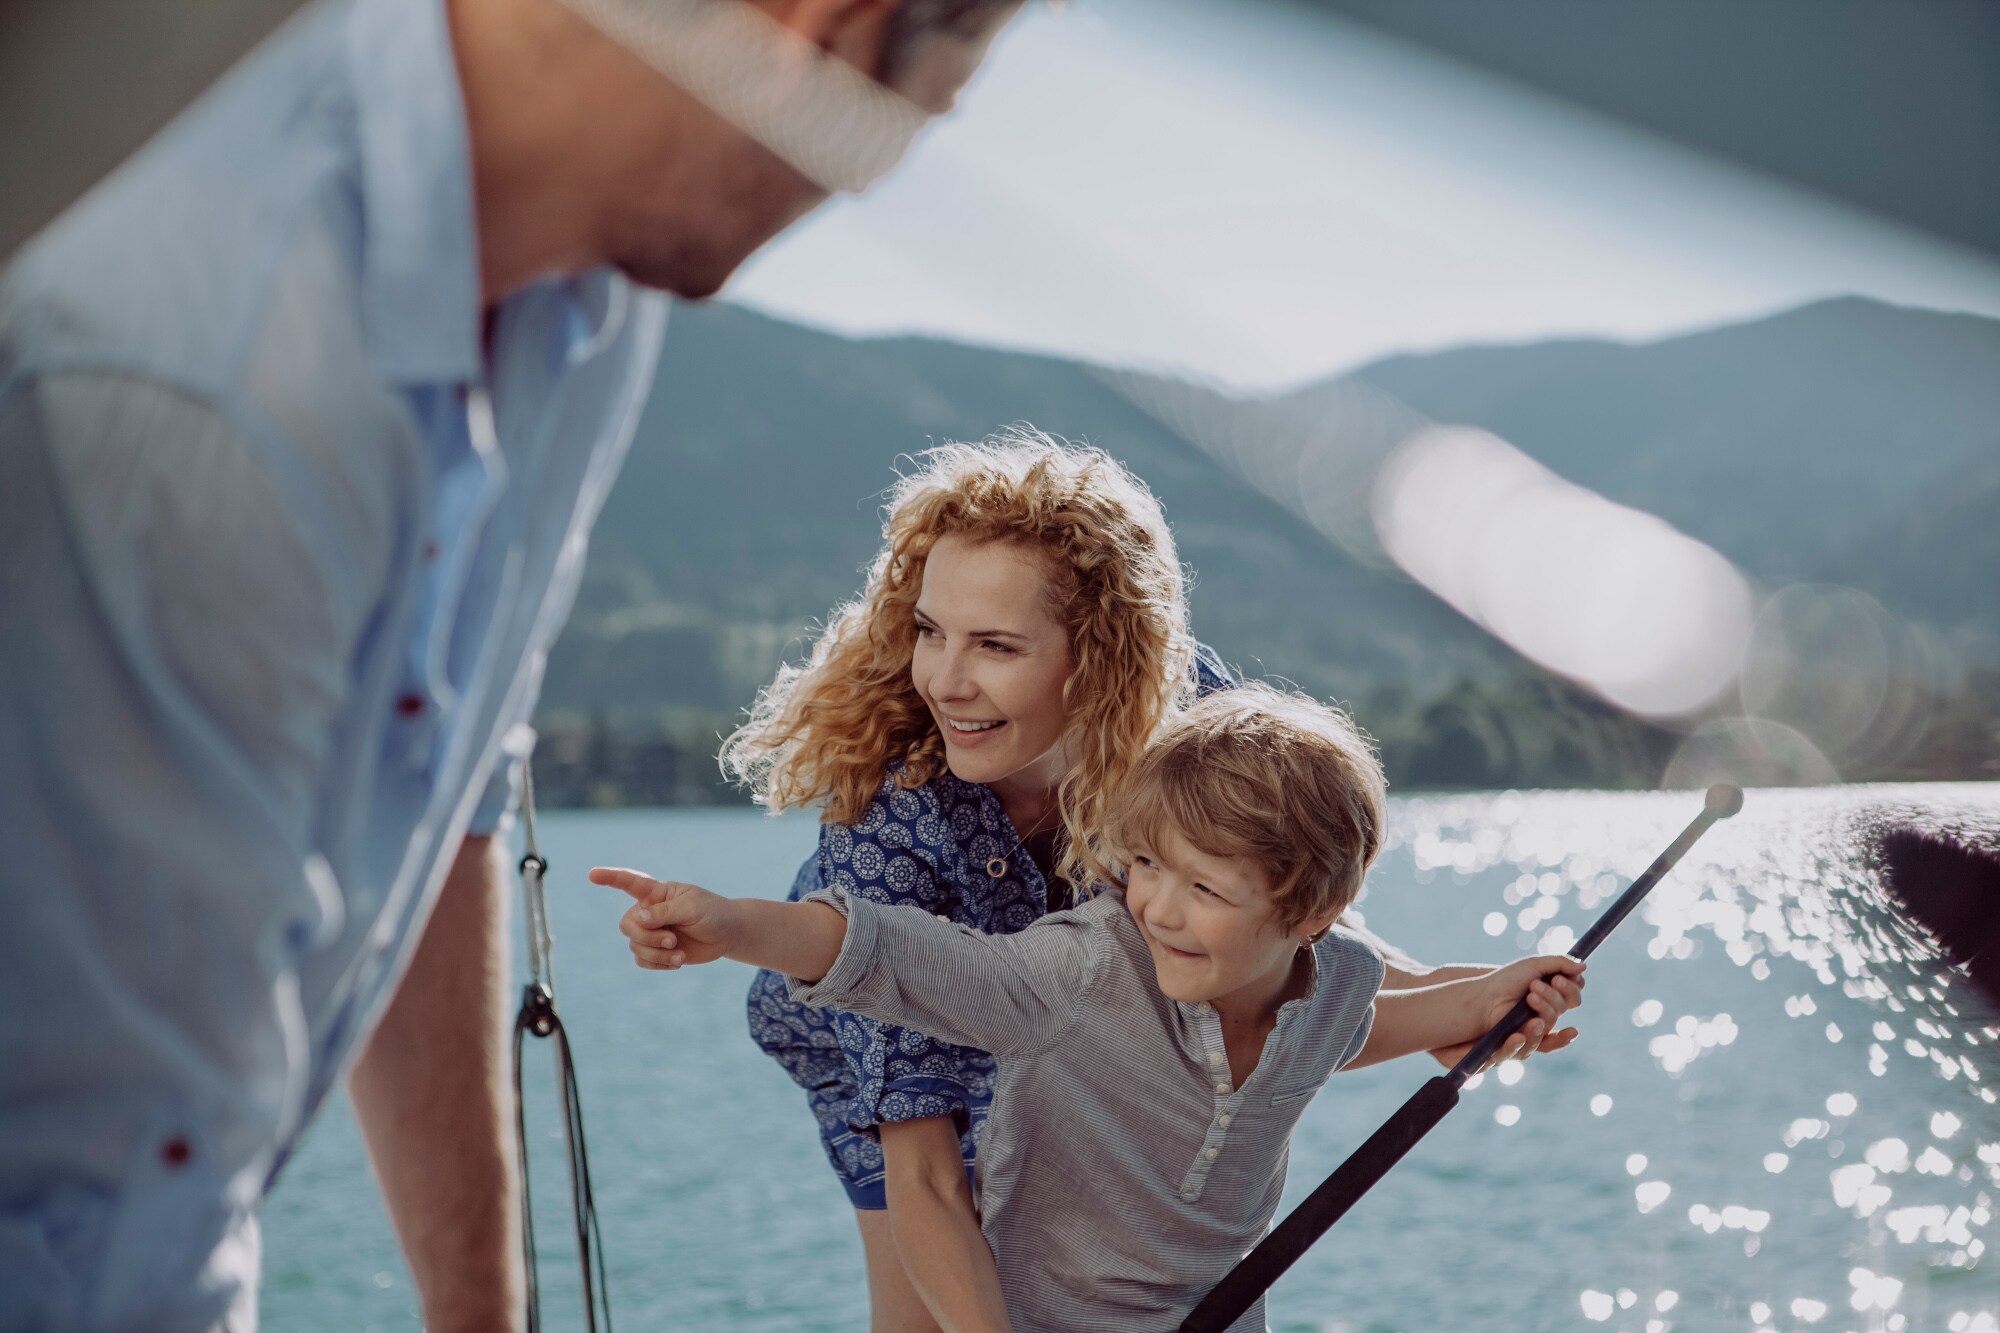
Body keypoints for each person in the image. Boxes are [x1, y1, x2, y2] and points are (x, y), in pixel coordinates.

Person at [0, 0, 1020, 1327]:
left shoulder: (589, 292)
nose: (866, 184)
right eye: (906, 126)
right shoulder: (197, 375)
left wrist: (480, 1312)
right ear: (821, 31)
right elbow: (92, 1189)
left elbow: (433, 788)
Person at [701, 432, 1578, 1331]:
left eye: (997, 645)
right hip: (883, 1022)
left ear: (1104, 653)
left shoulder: (1187, 712)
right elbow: (922, 1167)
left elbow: (1277, 907)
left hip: (1079, 1013)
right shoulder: (889, 821)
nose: (947, 681)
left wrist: (1450, 997)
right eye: (930, 631)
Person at [595, 683, 1588, 1331]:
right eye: (1145, 863)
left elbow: (1382, 1021)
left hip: (1220, 1313)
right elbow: (897, 954)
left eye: (1204, 889)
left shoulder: (1329, 987)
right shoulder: (1076, 972)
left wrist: (1496, 1001)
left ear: (1311, 914)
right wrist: (733, 923)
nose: (1155, 902)